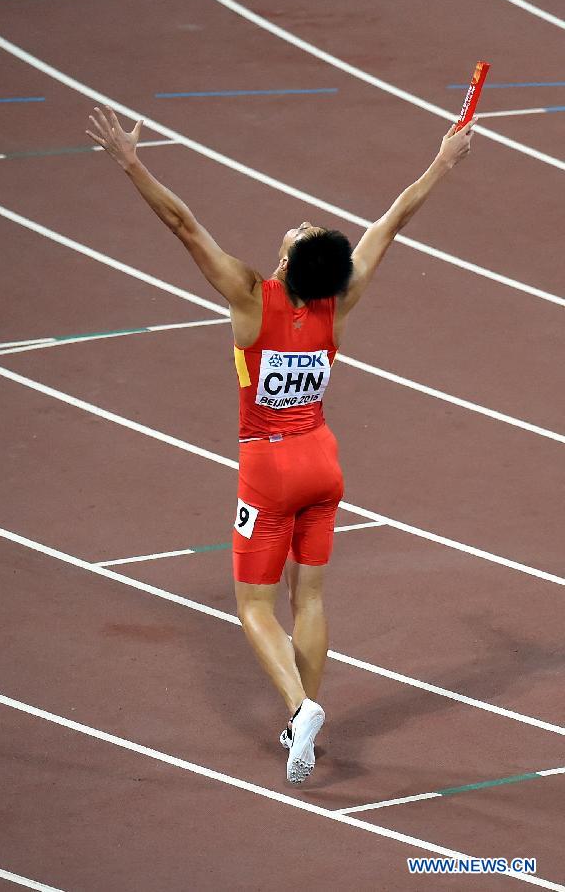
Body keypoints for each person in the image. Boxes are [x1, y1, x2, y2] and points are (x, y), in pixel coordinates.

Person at [86, 106, 476, 783]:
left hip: (268, 466)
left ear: (289, 259)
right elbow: (393, 221)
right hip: (324, 461)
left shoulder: (249, 296)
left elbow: (183, 226)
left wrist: (131, 164)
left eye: (304, 231)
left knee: (254, 605)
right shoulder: (339, 302)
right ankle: (308, 724)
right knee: (313, 599)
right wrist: (442, 162)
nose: (301, 225)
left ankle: (301, 709)